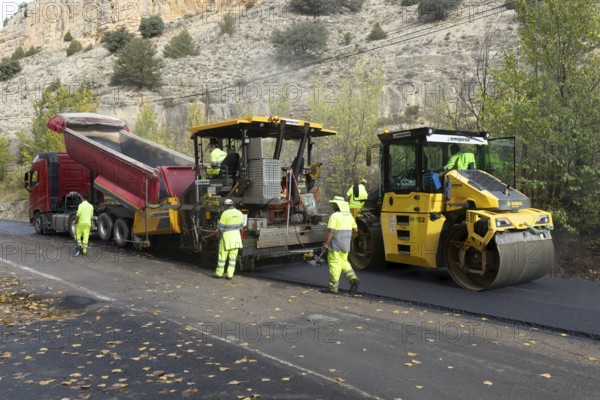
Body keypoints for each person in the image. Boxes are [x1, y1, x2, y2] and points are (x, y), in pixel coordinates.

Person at [322, 196, 360, 295]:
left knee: (334, 265)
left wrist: (326, 244)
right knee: (344, 263)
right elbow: (355, 230)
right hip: (346, 246)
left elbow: (331, 231)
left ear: (338, 205)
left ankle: (333, 289)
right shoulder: (349, 216)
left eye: (334, 204)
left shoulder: (334, 216)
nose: (333, 205)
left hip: (335, 246)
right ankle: (354, 279)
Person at [213, 199, 244, 280]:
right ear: (232, 204)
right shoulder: (239, 212)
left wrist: (219, 235)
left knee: (222, 257)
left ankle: (219, 273)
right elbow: (241, 225)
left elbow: (221, 227)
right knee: (233, 258)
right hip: (236, 237)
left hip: (226, 238)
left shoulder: (225, 213)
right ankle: (230, 275)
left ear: (226, 206)